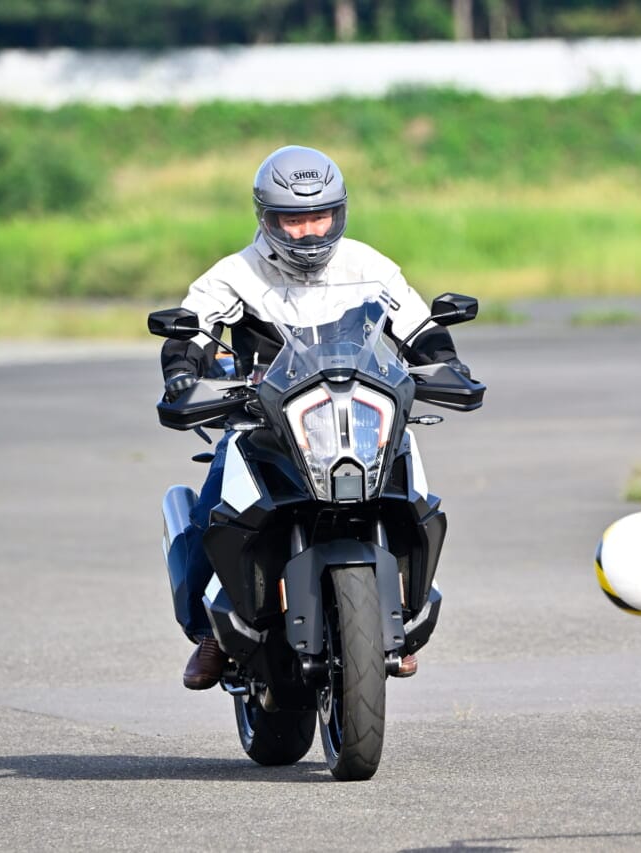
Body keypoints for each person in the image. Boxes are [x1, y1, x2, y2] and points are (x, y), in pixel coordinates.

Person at [161, 145, 468, 690]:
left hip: (361, 413)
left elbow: (419, 327)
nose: (309, 231)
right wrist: (184, 373)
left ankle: (392, 613)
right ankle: (211, 632)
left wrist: (446, 363)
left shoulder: (370, 266)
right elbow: (191, 326)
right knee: (217, 511)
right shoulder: (235, 274)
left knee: (415, 494)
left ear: (339, 211)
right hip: (262, 423)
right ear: (267, 217)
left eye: (319, 216)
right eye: (293, 219)